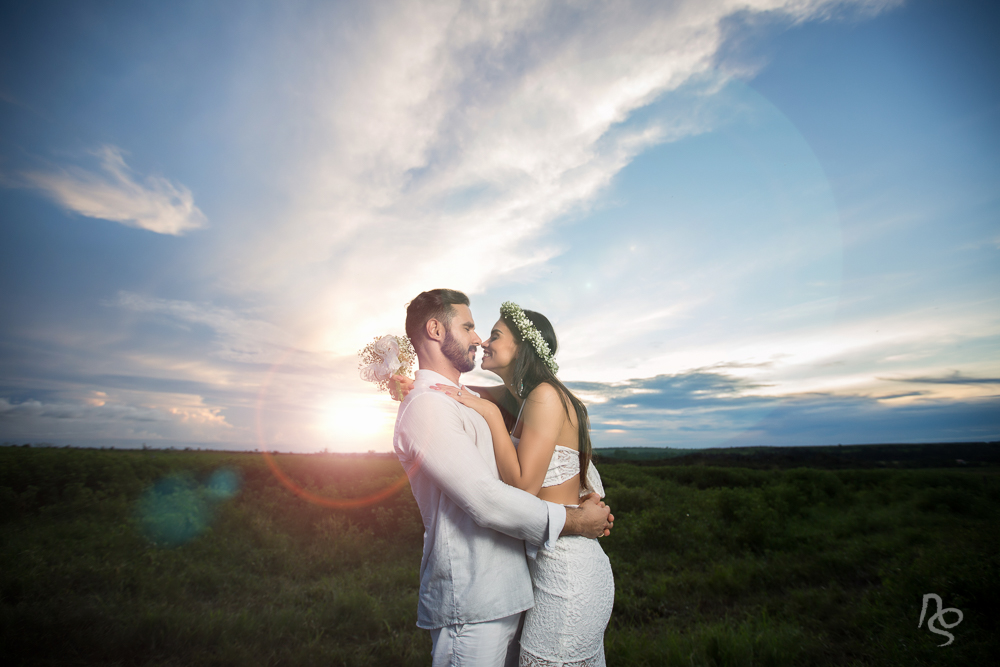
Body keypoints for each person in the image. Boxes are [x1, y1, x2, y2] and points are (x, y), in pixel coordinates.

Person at [393, 289, 613, 667]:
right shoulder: (436, 404)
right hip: (484, 594)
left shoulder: (528, 399)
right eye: (471, 327)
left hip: (534, 582)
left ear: (523, 347)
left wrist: (580, 499)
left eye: (492, 334)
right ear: (435, 329)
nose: (480, 339)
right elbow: (485, 495)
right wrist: (575, 517)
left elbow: (531, 472)